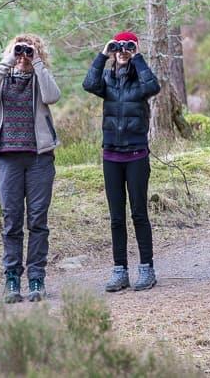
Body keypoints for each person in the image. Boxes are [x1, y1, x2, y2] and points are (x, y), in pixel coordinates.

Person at [0, 34, 60, 303]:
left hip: (39, 159)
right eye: (20, 51)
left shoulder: (41, 77)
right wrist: (7, 62)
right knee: (11, 220)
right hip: (8, 159)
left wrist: (37, 63)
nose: (24, 55)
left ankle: (37, 278)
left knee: (38, 220)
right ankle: (12, 278)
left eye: (29, 51)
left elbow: (53, 96)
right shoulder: (0, 78)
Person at [82, 31, 161, 292]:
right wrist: (102, 55)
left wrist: (137, 58)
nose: (122, 51)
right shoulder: (108, 78)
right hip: (111, 155)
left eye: (127, 47)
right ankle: (120, 271)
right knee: (117, 217)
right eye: (119, 48)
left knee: (139, 213)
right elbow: (88, 84)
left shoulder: (141, 80)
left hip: (137, 153)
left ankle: (146, 269)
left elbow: (153, 87)